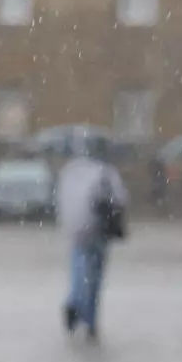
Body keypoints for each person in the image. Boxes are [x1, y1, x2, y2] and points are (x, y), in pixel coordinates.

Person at [56, 138, 128, 341]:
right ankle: (90, 321)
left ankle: (76, 302)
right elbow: (120, 198)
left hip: (75, 231)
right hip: (98, 229)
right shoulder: (105, 171)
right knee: (95, 277)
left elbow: (59, 201)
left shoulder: (69, 172)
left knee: (78, 270)